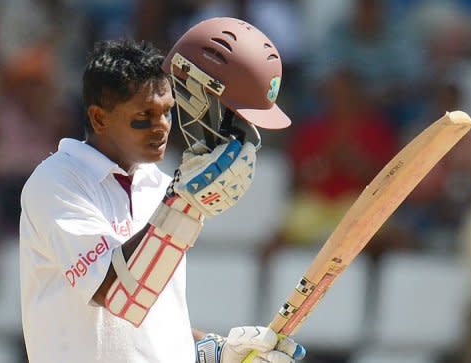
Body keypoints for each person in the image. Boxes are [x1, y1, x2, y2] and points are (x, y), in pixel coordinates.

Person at [19, 18, 306, 363]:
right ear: (99, 119)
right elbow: (117, 293)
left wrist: (218, 352)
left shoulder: (159, 185)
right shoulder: (58, 182)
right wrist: (183, 207)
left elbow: (153, 320)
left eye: (168, 112)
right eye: (145, 115)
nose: (161, 128)